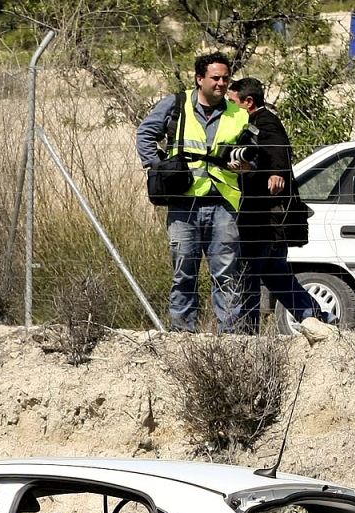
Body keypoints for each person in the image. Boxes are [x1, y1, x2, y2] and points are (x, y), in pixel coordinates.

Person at [136, 52, 257, 333]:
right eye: (215, 78)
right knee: (184, 274)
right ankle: (182, 336)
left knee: (227, 275)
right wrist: (159, 167)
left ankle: (230, 338)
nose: (221, 83)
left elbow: (255, 154)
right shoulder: (176, 105)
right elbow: (145, 134)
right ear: (199, 78)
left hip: (223, 204)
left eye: (226, 78)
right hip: (183, 204)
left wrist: (247, 165)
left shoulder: (238, 114)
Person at [226, 77, 334, 338]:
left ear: (248, 102)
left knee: (250, 274)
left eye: (233, 102)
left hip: (264, 219)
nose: (229, 107)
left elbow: (278, 147)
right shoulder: (250, 123)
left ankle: (247, 332)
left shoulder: (264, 122)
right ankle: (314, 315)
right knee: (276, 276)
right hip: (268, 219)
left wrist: (276, 171)